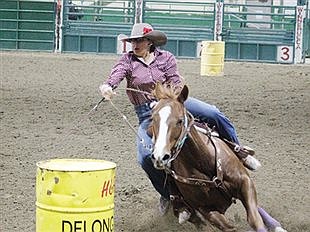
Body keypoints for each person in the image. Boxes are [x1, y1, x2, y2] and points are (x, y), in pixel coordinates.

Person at [99, 23, 260, 222]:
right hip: (148, 115)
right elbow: (116, 75)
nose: (135, 44)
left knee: (213, 113)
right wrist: (108, 86)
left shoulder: (166, 58)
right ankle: (172, 196)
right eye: (132, 41)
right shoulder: (127, 61)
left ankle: (238, 151)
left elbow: (175, 80)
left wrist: (170, 99)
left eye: (139, 40)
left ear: (150, 42)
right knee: (145, 157)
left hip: (175, 104)